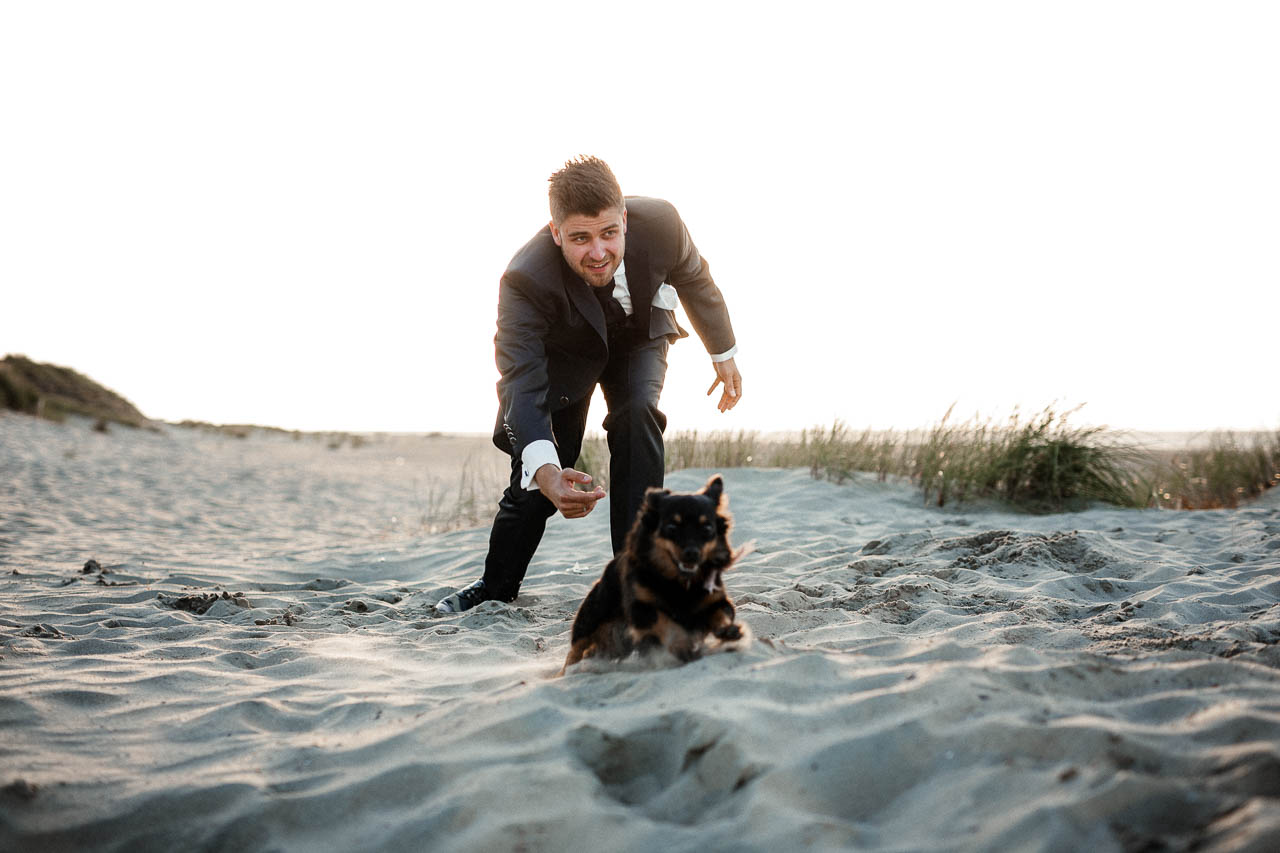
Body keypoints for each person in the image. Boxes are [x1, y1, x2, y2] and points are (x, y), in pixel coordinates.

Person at [435, 156, 742, 614]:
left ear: (624, 219)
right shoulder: (524, 279)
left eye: (608, 234)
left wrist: (723, 355)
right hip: (565, 362)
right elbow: (520, 382)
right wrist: (547, 472)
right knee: (539, 473)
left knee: (637, 415)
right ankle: (495, 587)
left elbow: (697, 282)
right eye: (580, 238)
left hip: (638, 338)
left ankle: (638, 582)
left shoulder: (661, 223)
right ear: (557, 233)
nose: (597, 252)